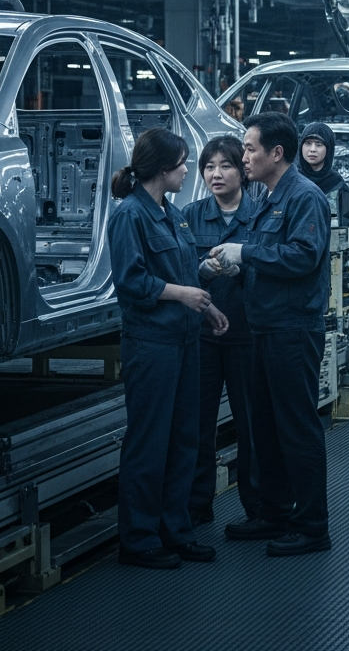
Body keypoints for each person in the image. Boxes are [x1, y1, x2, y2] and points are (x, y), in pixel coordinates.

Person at [210, 112, 332, 557]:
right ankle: (274, 512)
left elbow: (302, 257)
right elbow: (269, 255)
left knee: (296, 429)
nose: (243, 157)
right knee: (265, 428)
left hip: (292, 328)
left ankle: (312, 525)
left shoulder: (305, 197)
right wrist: (237, 262)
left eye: (249, 149)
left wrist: (248, 252)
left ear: (276, 153)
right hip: (262, 327)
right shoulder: (267, 196)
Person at [107, 127, 229, 570]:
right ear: (162, 168)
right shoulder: (130, 216)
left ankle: (176, 532)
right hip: (151, 343)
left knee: (184, 440)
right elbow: (131, 282)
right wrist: (182, 296)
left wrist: (207, 307)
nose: (186, 171)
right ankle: (138, 540)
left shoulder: (173, 215)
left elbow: (185, 274)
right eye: (181, 164)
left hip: (184, 339)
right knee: (149, 442)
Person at [182, 136, 259, 528]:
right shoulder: (190, 216)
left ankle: (256, 510)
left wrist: (243, 265)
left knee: (251, 427)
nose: (216, 174)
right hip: (204, 338)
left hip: (247, 336)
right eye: (209, 167)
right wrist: (200, 270)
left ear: (242, 171)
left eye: (225, 166)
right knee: (198, 425)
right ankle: (198, 505)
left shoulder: (260, 215)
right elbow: (178, 274)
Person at [297, 120, 349, 207]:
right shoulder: (291, 181)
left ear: (329, 149)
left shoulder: (338, 185)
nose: (312, 149)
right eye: (308, 143)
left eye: (318, 144)